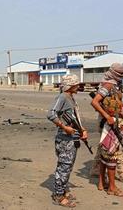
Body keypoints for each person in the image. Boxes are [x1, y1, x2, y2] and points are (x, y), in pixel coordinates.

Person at [91, 63, 123, 197]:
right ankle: (112, 187)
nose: (121, 76)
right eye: (120, 74)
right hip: (109, 124)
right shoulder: (108, 85)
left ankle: (101, 182)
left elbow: (117, 101)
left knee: (104, 152)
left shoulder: (114, 84)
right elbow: (95, 102)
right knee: (112, 153)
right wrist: (108, 116)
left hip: (114, 121)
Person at [47, 74, 88, 208]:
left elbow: (74, 117)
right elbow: (51, 114)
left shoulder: (70, 97)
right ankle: (58, 196)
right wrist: (65, 127)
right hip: (65, 139)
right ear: (70, 86)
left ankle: (63, 191)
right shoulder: (63, 97)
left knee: (68, 166)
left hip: (72, 138)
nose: (78, 86)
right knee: (63, 167)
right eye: (76, 84)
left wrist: (82, 130)